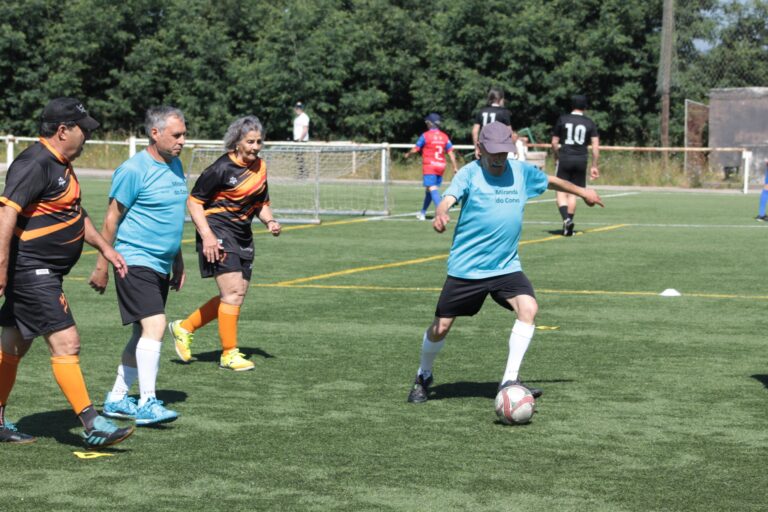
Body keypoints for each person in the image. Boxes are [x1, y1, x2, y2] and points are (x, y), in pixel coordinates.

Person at [406, 122, 604, 405]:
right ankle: (423, 375)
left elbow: (551, 180)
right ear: (480, 150)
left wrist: (584, 193)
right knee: (441, 327)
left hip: (506, 267)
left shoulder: (520, 172)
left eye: (504, 152)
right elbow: (447, 198)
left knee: (529, 308)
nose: (499, 158)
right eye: (494, 152)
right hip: (467, 268)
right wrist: (440, 213)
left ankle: (509, 380)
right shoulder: (469, 173)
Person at [0, 98, 133, 447]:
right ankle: (92, 423)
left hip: (43, 273)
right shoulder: (34, 163)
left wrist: (106, 248)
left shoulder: (60, 164)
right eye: (82, 129)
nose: (87, 136)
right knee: (67, 342)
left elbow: (74, 214)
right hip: (32, 271)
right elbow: (6, 215)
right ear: (62, 131)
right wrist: (0, 269)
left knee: (12, 344)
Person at [89, 107, 188, 426]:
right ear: (155, 134)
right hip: (133, 260)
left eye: (184, 134)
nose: (182, 141)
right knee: (156, 326)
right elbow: (110, 219)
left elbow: (172, 218)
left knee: (141, 332)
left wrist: (178, 259)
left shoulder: (176, 166)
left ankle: (117, 398)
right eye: (177, 135)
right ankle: (147, 402)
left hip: (161, 264)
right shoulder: (133, 170)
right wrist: (102, 265)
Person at [168, 116, 281, 371]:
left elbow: (261, 203)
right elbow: (194, 202)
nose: (255, 147)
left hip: (242, 233)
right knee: (232, 293)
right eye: (249, 141)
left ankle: (184, 328)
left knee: (235, 294)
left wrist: (270, 221)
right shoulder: (220, 169)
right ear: (237, 142)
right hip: (218, 230)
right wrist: (207, 235)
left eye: (258, 141)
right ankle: (229, 353)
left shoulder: (260, 167)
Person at [551, 94, 600, 236]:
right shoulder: (589, 122)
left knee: (560, 191)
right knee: (574, 192)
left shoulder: (563, 119)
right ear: (585, 107)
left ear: (572, 106)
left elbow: (554, 142)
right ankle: (569, 222)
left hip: (565, 157)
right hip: (581, 159)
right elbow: (596, 147)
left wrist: (557, 156)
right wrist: (594, 165)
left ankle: (566, 219)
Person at [404, 113, 458, 221]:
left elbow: (416, 149)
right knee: (429, 190)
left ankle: (441, 214)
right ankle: (422, 213)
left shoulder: (426, 135)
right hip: (441, 166)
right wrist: (455, 167)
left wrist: (408, 154)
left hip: (430, 166)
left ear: (430, 124)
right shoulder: (444, 136)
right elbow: (451, 153)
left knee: (432, 188)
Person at [472, 87, 514, 159]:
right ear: (500, 99)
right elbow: (509, 133)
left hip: (484, 147)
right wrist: (512, 148)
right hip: (499, 148)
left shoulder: (481, 111)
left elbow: (474, 131)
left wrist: (477, 148)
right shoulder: (504, 112)